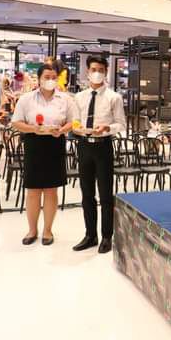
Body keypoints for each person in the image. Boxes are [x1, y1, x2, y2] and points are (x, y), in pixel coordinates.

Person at [11, 63, 78, 246]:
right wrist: (33, 129)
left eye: (53, 77)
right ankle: (32, 230)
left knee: (51, 190)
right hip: (34, 144)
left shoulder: (65, 99)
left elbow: (74, 121)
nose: (50, 80)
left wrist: (62, 130)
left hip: (55, 144)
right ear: (39, 79)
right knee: (33, 190)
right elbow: (16, 122)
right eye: (46, 77)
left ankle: (48, 230)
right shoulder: (26, 99)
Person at [73, 56, 127, 254]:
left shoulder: (114, 97)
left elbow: (121, 124)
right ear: (87, 72)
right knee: (87, 194)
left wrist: (107, 128)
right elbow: (75, 122)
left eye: (101, 70)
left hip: (103, 147)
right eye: (93, 69)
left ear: (106, 72)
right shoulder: (79, 97)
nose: (97, 73)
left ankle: (106, 236)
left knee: (105, 194)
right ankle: (90, 235)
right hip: (84, 146)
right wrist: (78, 129)